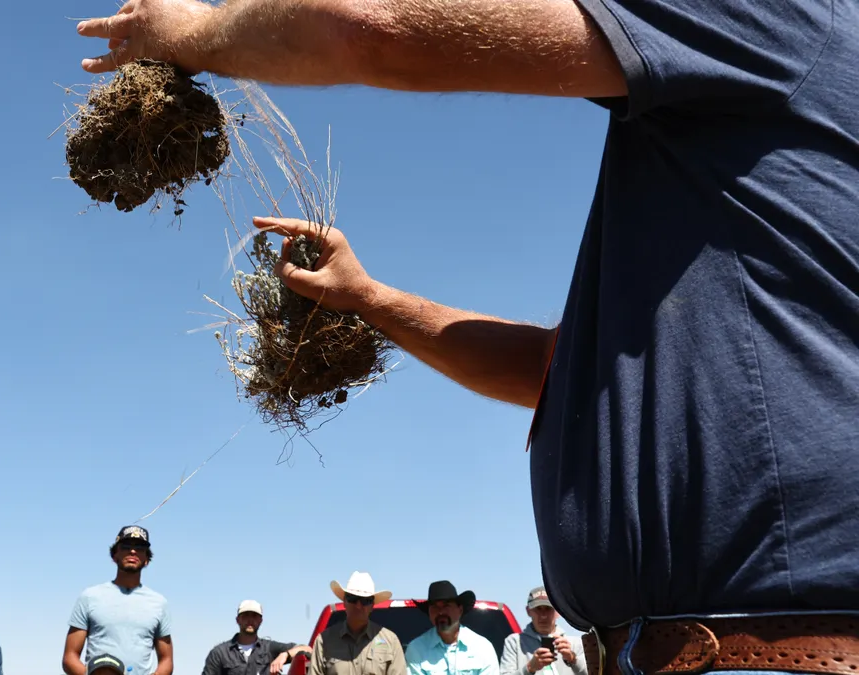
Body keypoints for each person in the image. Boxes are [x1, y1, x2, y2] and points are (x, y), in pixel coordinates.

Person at [77, 0, 859, 674]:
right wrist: (370, 299)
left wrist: (191, 32)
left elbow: (375, 27)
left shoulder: (775, 14)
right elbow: (557, 369)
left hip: (753, 647)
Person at [64, 526, 173, 675]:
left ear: (147, 559)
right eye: (126, 547)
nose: (133, 551)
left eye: (140, 548)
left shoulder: (159, 603)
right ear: (114, 556)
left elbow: (166, 660)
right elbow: (70, 656)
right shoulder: (89, 597)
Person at [308, 572, 405, 675]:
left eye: (365, 600)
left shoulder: (390, 641)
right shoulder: (324, 641)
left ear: (372, 605)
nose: (358, 606)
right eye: (353, 599)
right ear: (344, 601)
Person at [405, 581, 497, 675]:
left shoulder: (482, 647)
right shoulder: (417, 649)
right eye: (434, 607)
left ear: (460, 610)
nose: (440, 612)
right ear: (429, 613)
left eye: (446, 606)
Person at [202, 600, 311, 675]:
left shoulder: (269, 648)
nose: (250, 620)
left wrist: (285, 655)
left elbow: (307, 649)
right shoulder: (219, 653)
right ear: (238, 620)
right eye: (245, 616)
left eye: (254, 616)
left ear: (260, 621)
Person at [499, 588, 585, 675]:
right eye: (538, 609)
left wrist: (573, 659)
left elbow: (593, 672)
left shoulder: (574, 644)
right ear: (528, 611)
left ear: (558, 611)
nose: (543, 616)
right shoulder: (515, 642)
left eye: (548, 609)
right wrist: (529, 668)